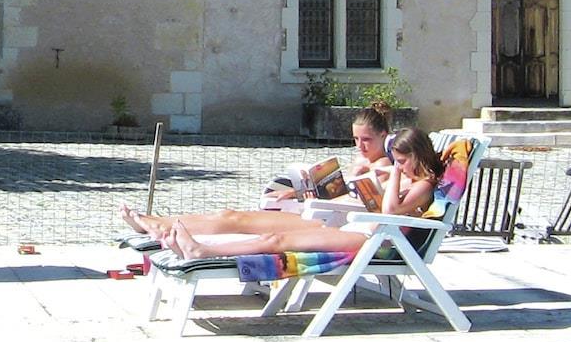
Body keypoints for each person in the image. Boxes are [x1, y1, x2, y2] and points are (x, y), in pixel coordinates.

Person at [123, 128, 443, 260]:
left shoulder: (423, 184)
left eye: (403, 161)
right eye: (397, 160)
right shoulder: (400, 176)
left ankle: (204, 251)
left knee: (276, 241)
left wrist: (395, 173)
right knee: (235, 217)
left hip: (373, 239)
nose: (399, 166)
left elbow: (390, 211)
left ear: (417, 156)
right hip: (345, 222)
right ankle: (160, 223)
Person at [264, 105, 393, 206]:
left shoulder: (383, 165)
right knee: (275, 192)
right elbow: (341, 192)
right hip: (333, 205)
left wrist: (314, 200)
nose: (359, 145)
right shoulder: (360, 159)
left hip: (346, 212)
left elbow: (363, 200)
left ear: (383, 135)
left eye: (366, 139)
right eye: (356, 138)